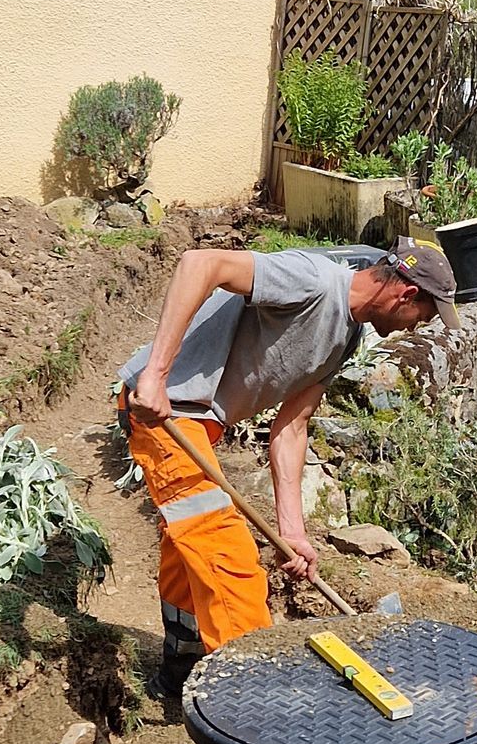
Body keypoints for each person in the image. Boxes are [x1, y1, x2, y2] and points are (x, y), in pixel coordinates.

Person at [119, 239, 459, 687]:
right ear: (406, 295)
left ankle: (181, 668)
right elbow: (199, 262)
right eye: (425, 316)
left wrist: (292, 532)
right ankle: (251, 703)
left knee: (189, 546)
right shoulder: (312, 281)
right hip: (166, 412)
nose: (417, 327)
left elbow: (291, 429)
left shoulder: (347, 335)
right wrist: (156, 376)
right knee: (228, 554)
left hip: (201, 425)